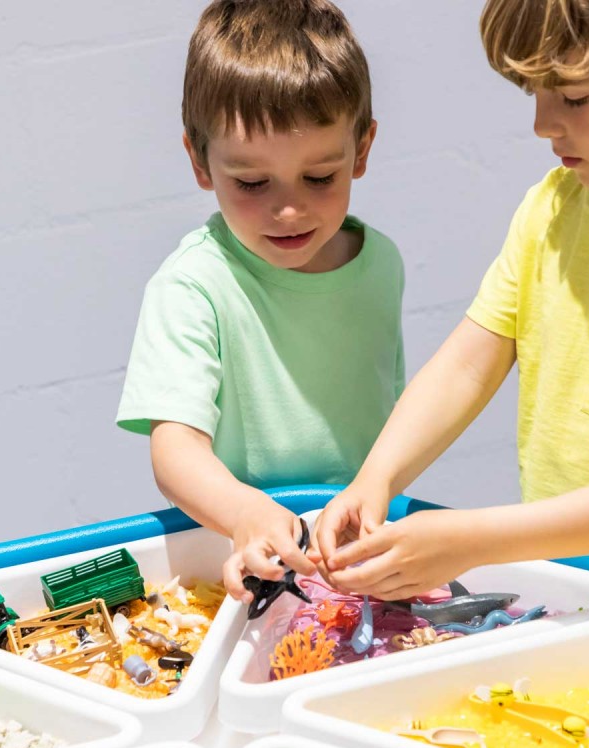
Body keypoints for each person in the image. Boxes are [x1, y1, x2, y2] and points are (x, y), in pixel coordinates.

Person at [314, 0, 589, 598]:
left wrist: (474, 539)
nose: (543, 124)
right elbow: (470, 362)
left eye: (573, 98)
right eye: (533, 94)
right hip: (580, 584)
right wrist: (375, 479)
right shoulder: (552, 207)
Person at [117, 0, 405, 602]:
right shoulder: (192, 286)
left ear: (362, 149)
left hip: (354, 553)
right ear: (200, 161)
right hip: (248, 562)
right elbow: (175, 449)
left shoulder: (379, 262)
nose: (290, 209)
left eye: (320, 177)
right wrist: (246, 514)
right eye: (252, 183)